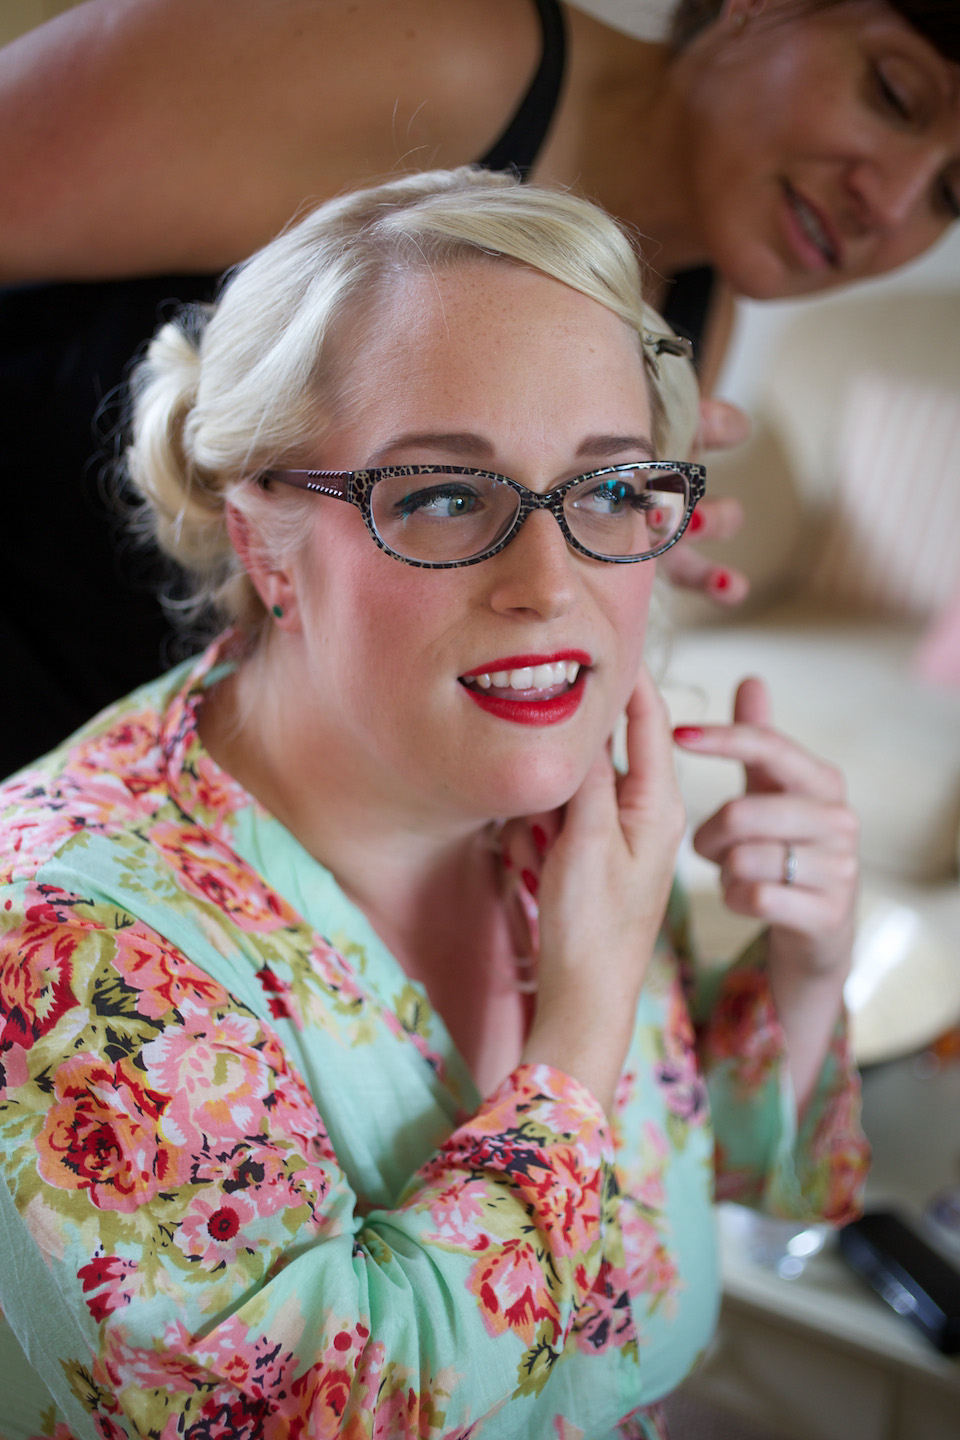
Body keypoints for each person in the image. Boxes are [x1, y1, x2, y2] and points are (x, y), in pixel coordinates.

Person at [0, 167, 867, 1440]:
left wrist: (803, 964)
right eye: (446, 496)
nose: (551, 585)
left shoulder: (556, 811)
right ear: (264, 543)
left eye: (610, 488)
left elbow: (708, 1170)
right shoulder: (61, 950)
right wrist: (572, 1040)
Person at [1, 0, 958, 775]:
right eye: (894, 94)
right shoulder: (426, 48)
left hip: (167, 772)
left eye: (954, 193)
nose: (895, 198)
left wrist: (582, 530)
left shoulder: (695, 307)